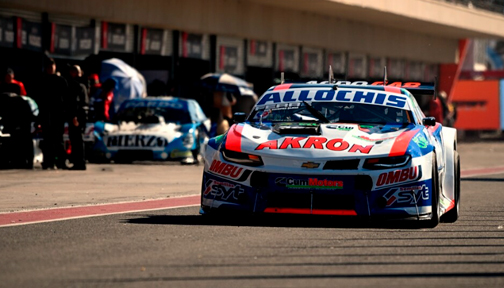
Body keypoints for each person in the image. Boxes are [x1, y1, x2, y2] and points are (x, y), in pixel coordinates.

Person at [35, 58, 68, 170]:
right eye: (48, 67)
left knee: (58, 139)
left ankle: (61, 162)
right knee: (47, 139)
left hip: (58, 114)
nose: (50, 69)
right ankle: (48, 162)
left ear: (55, 67)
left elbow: (66, 98)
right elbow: (39, 98)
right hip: (45, 113)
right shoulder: (42, 80)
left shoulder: (61, 81)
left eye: (52, 67)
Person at [66, 65, 89, 170]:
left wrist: (74, 116)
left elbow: (76, 102)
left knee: (76, 140)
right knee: (78, 139)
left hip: (77, 115)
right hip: (82, 115)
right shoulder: (84, 84)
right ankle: (79, 162)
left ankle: (79, 162)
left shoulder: (76, 84)